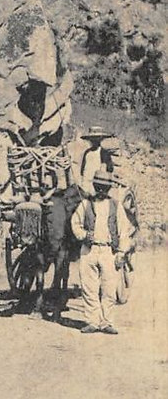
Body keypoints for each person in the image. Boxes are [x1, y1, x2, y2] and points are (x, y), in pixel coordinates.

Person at [70, 169, 133, 334]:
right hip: (89, 251)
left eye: (104, 188)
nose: (101, 191)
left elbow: (124, 231)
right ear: (95, 186)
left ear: (108, 189)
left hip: (108, 251)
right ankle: (92, 322)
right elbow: (75, 223)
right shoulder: (85, 204)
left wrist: (121, 252)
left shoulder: (116, 205)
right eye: (98, 187)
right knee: (89, 288)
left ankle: (106, 322)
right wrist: (83, 235)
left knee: (108, 288)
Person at [78, 126, 118, 195]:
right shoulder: (87, 152)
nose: (94, 141)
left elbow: (109, 169)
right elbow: (82, 170)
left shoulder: (104, 153)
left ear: (100, 139)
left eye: (96, 139)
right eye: (92, 139)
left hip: (98, 185)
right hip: (86, 184)